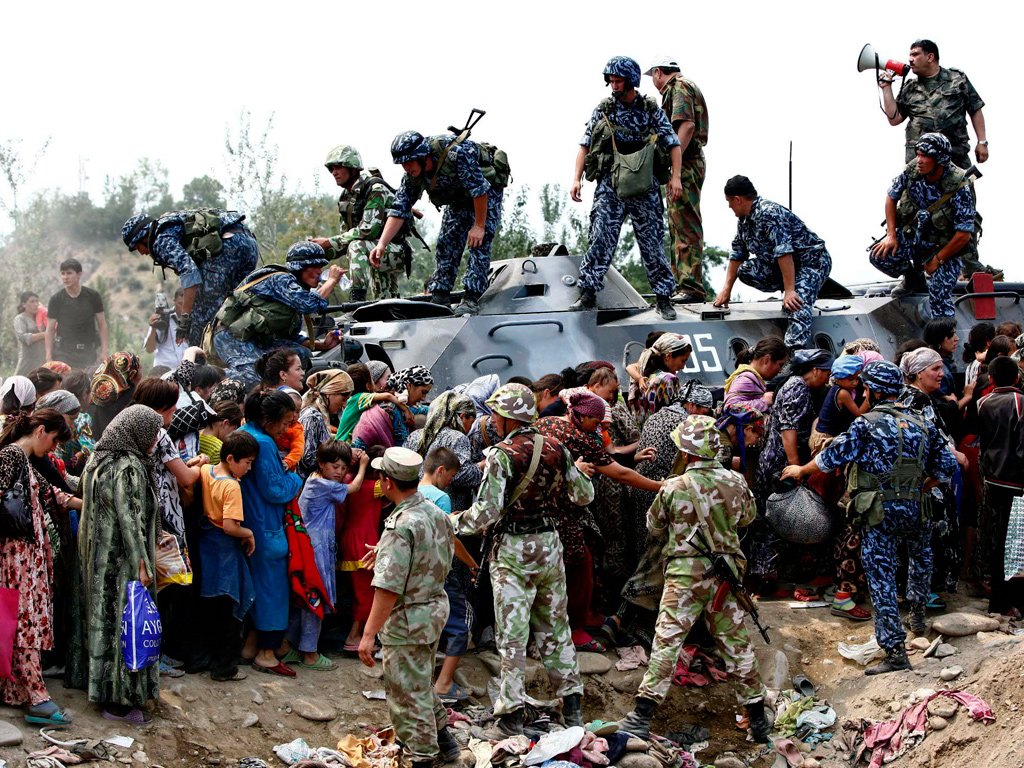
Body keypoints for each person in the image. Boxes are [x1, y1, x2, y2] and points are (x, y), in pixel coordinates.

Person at [782, 362, 957, 675]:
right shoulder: (922, 421)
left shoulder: (868, 424)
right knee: (919, 562)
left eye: (865, 387)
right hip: (918, 507)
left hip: (880, 511)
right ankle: (918, 619)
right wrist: (918, 487)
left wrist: (801, 469)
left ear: (875, 390)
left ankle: (895, 651)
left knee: (882, 577)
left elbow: (833, 456)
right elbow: (946, 468)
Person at [616, 415, 769, 742]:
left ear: (686, 452)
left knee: (667, 643)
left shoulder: (674, 486)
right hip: (725, 578)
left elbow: (654, 525)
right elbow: (748, 518)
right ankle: (757, 719)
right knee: (736, 644)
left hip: (685, 577)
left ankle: (642, 715)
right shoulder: (737, 482)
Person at [454, 384, 595, 736]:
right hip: (549, 545)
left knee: (512, 636)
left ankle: (512, 715)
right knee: (555, 629)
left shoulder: (502, 455)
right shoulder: (556, 447)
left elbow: (484, 514)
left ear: (505, 417)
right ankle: (573, 706)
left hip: (514, 550)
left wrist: (450, 520)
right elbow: (584, 494)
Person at [358, 447, 461, 768]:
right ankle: (445, 741)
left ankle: (423, 757)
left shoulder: (400, 525)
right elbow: (439, 553)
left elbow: (387, 589)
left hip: (407, 622)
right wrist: (387, 551)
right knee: (418, 683)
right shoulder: (434, 512)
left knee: (405, 696)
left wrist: (368, 634)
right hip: (433, 612)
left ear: (387, 482)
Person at [570, 56, 680, 321]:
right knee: (600, 237)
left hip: (645, 184)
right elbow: (585, 144)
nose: (614, 85)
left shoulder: (650, 109)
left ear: (630, 81)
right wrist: (576, 178)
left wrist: (675, 177)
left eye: (618, 80)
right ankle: (588, 292)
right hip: (612, 183)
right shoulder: (605, 108)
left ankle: (664, 298)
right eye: (611, 80)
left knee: (652, 242)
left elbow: (673, 143)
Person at [877, 39, 997, 280]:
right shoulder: (910, 88)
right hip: (919, 165)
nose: (910, 59)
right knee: (912, 213)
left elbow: (975, 108)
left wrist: (982, 142)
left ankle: (969, 267)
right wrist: (886, 88)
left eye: (915, 54)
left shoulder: (957, 79)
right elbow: (894, 118)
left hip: (955, 159)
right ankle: (915, 274)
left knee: (964, 211)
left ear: (930, 56)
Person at [77, 404, 163, 724]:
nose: (155, 438)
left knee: (107, 626)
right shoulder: (129, 466)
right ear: (137, 432)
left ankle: (101, 692)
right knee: (125, 631)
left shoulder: (98, 458)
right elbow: (131, 519)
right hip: (122, 564)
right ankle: (121, 701)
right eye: (151, 432)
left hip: (97, 561)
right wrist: (142, 563)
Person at [371, 128, 509, 316]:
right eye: (402, 164)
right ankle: (441, 295)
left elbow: (479, 189)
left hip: (485, 192)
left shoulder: (458, 154)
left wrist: (479, 226)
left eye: (408, 162)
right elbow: (399, 208)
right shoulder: (413, 174)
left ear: (421, 156)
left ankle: (471, 297)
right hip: (458, 198)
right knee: (446, 243)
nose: (406, 168)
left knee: (479, 241)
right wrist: (382, 244)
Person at [0, 409, 75, 726]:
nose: (55, 448)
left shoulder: (22, 459)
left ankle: (18, 691)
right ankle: (37, 697)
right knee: (27, 623)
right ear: (41, 430)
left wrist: (90, 498)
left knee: (20, 622)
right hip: (18, 556)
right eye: (55, 440)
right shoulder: (12, 455)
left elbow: (53, 493)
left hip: (24, 555)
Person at [715, 177, 831, 348]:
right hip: (781, 267)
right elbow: (738, 254)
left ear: (737, 199)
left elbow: (784, 252)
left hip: (811, 263)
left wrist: (790, 290)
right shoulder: (745, 221)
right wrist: (726, 290)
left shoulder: (769, 213)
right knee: (746, 270)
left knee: (796, 305)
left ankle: (793, 353)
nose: (729, 207)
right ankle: (790, 288)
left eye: (729, 202)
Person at [869, 133, 977, 317]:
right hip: (915, 237)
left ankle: (944, 336)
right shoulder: (912, 170)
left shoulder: (959, 185)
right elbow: (891, 197)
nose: (919, 160)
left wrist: (938, 260)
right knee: (879, 255)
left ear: (939, 160)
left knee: (939, 298)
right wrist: (891, 235)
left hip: (945, 248)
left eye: (925, 156)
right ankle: (913, 279)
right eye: (918, 153)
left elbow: (963, 235)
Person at [209, 242, 344, 387]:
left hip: (259, 338)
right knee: (254, 378)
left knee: (301, 354)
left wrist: (322, 345)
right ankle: (209, 379)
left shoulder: (294, 293)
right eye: (313, 266)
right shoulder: (280, 279)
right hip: (233, 336)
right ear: (299, 267)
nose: (319, 272)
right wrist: (332, 280)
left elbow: (289, 338)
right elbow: (309, 304)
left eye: (321, 267)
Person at [122, 208, 260, 345]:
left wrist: (185, 319)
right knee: (236, 304)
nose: (141, 253)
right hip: (248, 243)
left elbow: (190, 272)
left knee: (199, 319)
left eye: (137, 247)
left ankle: (197, 363)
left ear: (143, 238)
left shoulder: (159, 241)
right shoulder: (169, 223)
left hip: (228, 249)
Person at [239, 390, 304, 676]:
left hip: (250, 523)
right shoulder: (264, 443)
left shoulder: (246, 432)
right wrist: (296, 476)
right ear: (268, 419)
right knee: (272, 590)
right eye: (285, 422)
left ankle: (249, 647)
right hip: (266, 526)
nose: (287, 429)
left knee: (256, 588)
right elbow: (275, 489)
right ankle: (266, 653)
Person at [292, 440, 368, 670]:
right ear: (322, 464)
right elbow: (353, 488)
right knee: (315, 599)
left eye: (344, 468)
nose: (339, 472)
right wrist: (362, 465)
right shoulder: (322, 485)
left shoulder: (315, 479)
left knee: (307, 599)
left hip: (313, 547)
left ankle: (295, 646)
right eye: (334, 466)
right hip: (315, 550)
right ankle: (310, 653)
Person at [645, 55, 709, 303]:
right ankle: (681, 283)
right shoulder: (686, 86)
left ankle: (691, 287)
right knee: (678, 223)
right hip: (689, 162)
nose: (654, 82)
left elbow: (687, 127)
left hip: (687, 162)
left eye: (653, 77)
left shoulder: (679, 87)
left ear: (659, 72)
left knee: (685, 225)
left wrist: (676, 169)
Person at [418, 446, 479, 703]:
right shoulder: (441, 499)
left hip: (416, 572)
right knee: (462, 624)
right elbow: (450, 539)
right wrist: (472, 564)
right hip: (442, 571)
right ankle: (443, 683)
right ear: (441, 471)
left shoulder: (411, 493)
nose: (451, 482)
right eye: (451, 477)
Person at [197, 429, 259, 682]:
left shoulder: (208, 471)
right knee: (229, 606)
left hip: (206, 545)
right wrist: (249, 533)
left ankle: (209, 660)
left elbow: (199, 463)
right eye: (247, 463)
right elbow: (231, 526)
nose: (249, 468)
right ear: (231, 458)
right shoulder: (231, 486)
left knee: (211, 605)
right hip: (224, 549)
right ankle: (225, 668)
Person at [309, 145, 408, 302]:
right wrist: (318, 250)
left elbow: (369, 230)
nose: (334, 172)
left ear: (352, 168)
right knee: (387, 303)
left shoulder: (375, 189)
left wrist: (328, 242)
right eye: (331, 169)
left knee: (356, 246)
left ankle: (356, 302)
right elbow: (344, 240)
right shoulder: (345, 198)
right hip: (374, 253)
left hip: (394, 251)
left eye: (338, 167)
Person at [976, 356, 1024, 618]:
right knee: (1016, 541)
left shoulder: (982, 403)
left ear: (991, 379)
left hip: (993, 480)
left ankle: (998, 599)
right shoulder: (1020, 403)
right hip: (1016, 482)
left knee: (1001, 539)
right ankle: (1012, 601)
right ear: (1017, 377)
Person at [404, 391, 482, 512]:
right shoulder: (458, 438)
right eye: (471, 422)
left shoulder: (415, 435)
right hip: (445, 512)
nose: (470, 428)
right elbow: (461, 475)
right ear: (462, 416)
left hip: (414, 508)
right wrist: (482, 466)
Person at [45, 258, 108, 369]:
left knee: (86, 384)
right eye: (63, 274)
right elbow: (50, 329)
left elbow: (102, 325)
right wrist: (48, 355)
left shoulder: (93, 296)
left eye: (69, 273)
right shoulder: (56, 299)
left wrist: (104, 351)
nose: (65, 277)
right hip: (63, 352)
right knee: (65, 383)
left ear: (79, 274)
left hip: (88, 352)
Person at [298, 369, 354, 477]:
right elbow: (307, 459)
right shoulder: (312, 417)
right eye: (343, 399)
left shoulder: (318, 416)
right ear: (329, 394)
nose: (344, 405)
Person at [723, 337, 790, 412]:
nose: (780, 371)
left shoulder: (754, 379)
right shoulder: (746, 380)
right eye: (780, 365)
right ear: (766, 360)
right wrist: (763, 402)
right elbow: (730, 407)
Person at [144, 288, 188, 369]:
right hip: (164, 371)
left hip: (187, 373)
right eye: (180, 304)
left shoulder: (195, 320)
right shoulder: (163, 318)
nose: (183, 308)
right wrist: (154, 327)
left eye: (186, 304)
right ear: (174, 301)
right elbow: (149, 349)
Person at [14, 291, 46, 375]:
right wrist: (45, 334)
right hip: (27, 360)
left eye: (37, 301)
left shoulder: (41, 318)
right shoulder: (20, 319)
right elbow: (24, 338)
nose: (36, 304)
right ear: (24, 304)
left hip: (42, 360)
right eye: (32, 301)